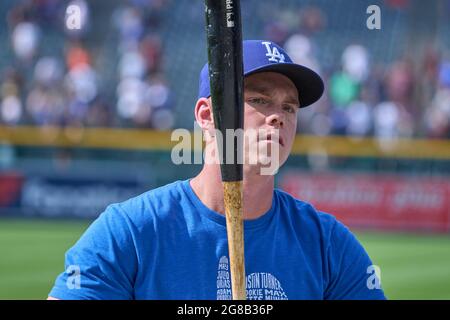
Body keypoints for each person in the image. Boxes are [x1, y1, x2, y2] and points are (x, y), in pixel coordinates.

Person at [48, 40, 386, 300]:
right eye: (259, 100)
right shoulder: (129, 232)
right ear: (206, 116)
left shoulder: (328, 244)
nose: (278, 116)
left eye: (289, 106)